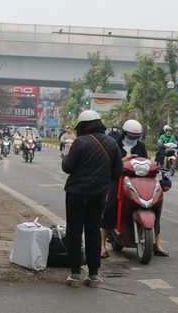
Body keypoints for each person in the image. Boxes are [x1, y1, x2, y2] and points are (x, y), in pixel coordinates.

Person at [62, 110, 123, 288]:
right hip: (98, 195)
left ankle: (75, 273)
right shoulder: (111, 143)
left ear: (82, 126)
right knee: (93, 231)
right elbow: (117, 172)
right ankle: (94, 274)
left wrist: (66, 155)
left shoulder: (80, 142)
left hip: (76, 194)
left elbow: (68, 167)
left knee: (74, 230)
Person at [100, 120, 169, 258]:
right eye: (130, 137)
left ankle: (156, 244)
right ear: (124, 133)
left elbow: (147, 163)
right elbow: (108, 164)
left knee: (154, 204)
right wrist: (124, 160)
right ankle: (101, 245)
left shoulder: (141, 146)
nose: (132, 140)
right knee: (111, 205)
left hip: (138, 180)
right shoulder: (115, 145)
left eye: (135, 138)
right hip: (118, 179)